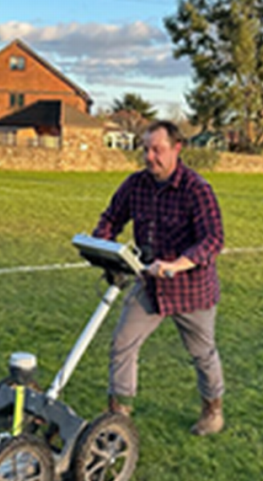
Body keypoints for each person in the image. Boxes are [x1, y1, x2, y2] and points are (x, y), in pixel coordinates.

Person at [92, 120, 226, 435]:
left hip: (192, 289)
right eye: (146, 150)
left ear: (177, 149)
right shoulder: (136, 185)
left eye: (157, 150)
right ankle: (119, 416)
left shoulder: (197, 189)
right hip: (149, 284)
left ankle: (212, 411)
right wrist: (104, 246)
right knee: (123, 342)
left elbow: (213, 239)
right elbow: (111, 217)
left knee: (202, 354)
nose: (150, 157)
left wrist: (179, 264)